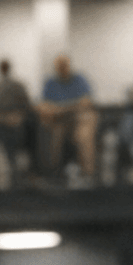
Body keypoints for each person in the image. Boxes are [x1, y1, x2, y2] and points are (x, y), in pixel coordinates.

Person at [38, 54, 98, 182]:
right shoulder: (50, 83)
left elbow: (86, 103)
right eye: (59, 66)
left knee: (83, 135)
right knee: (50, 134)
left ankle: (88, 175)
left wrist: (61, 108)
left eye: (64, 65)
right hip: (59, 121)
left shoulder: (80, 79)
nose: (62, 68)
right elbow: (44, 107)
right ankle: (53, 175)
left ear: (69, 65)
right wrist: (69, 107)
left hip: (79, 119)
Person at [0, 58, 34, 189]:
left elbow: (27, 108)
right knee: (0, 155)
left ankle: (18, 180)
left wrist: (18, 117)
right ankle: (3, 183)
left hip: (17, 128)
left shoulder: (18, 86)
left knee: (16, 155)